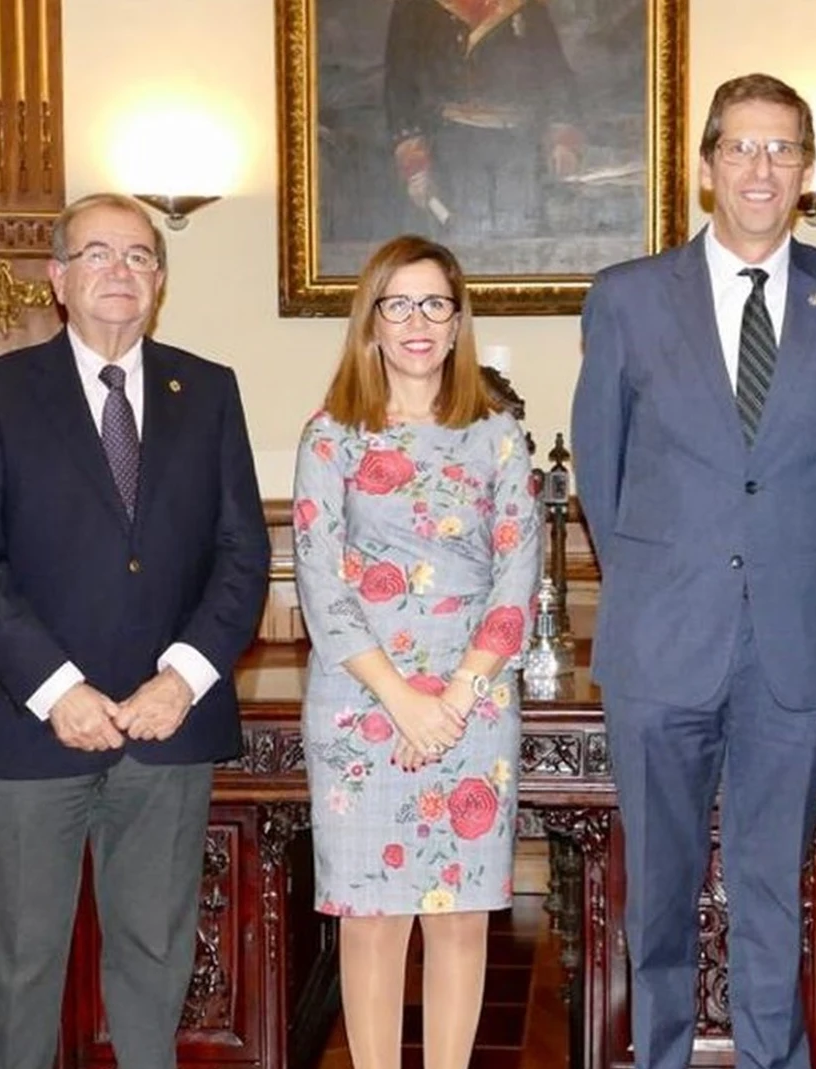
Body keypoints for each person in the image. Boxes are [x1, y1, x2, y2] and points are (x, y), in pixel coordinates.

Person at [570, 73, 816, 1069]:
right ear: (706, 165)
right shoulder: (628, 299)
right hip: (661, 640)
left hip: (795, 646)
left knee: (773, 892)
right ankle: (660, 1055)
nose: (761, 169)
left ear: (806, 171)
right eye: (742, 149)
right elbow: (602, 473)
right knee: (660, 893)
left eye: (783, 149)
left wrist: (790, 575)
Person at [0, 192, 270, 1069]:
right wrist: (60, 690)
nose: (119, 272)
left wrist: (183, 679)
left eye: (137, 257)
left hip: (170, 729)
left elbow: (243, 553)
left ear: (159, 282)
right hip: (36, 726)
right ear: (58, 278)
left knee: (156, 954)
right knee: (22, 963)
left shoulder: (207, 390)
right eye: (97, 254)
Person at [291, 234, 541, 1069]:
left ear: (459, 319)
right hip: (363, 703)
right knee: (370, 921)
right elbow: (321, 585)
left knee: (462, 916)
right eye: (398, 304)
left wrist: (455, 697)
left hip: (473, 702)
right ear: (371, 323)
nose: (418, 321)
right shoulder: (330, 437)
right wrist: (403, 700)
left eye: (436, 303)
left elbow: (517, 580)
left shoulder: (498, 436)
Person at [384, 0, 582, 238]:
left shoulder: (526, 5)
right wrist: (415, 164)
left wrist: (562, 140)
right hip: (452, 149)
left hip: (520, 147)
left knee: (525, 241)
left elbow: (555, 74)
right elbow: (401, 83)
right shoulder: (417, 7)